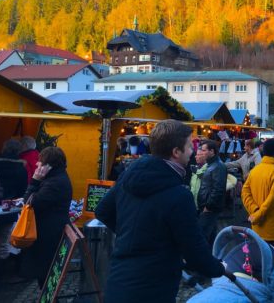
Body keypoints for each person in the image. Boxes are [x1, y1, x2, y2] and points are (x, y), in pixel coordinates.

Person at [95, 120, 225, 303]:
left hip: (119, 278)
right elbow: (194, 251)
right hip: (154, 286)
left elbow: (103, 211)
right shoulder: (179, 195)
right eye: (189, 146)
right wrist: (220, 269)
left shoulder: (128, 176)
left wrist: (132, 234)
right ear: (176, 152)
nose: (192, 151)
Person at [21, 147, 73, 288]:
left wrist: (34, 181)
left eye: (40, 161)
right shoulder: (55, 178)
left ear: (48, 164)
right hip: (49, 230)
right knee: (44, 275)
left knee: (45, 275)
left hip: (48, 234)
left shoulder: (54, 183)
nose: (37, 164)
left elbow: (29, 204)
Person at [242, 138, 274, 255]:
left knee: (259, 262)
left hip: (257, 227)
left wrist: (254, 210)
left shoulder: (255, 170)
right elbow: (271, 200)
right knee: (273, 264)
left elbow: (245, 193)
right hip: (273, 228)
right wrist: (258, 214)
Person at [0, 139, 28, 264]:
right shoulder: (20, 168)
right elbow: (23, 190)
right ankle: (1, 270)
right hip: (10, 207)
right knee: (3, 241)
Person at [196, 140, 227, 245]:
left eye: (204, 150)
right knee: (209, 237)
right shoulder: (212, 165)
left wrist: (208, 206)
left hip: (209, 208)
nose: (202, 152)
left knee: (202, 236)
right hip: (207, 207)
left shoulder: (218, 166)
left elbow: (218, 189)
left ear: (212, 151)